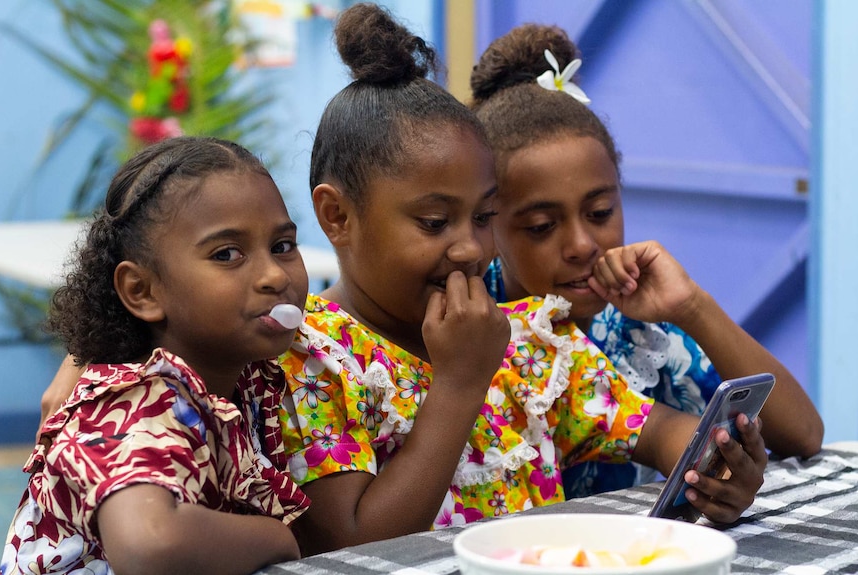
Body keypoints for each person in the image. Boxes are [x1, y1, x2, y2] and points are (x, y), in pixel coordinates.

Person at [274, 3, 766, 557]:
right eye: (435, 222)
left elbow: (661, 433)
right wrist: (460, 382)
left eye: (483, 218)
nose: (469, 248)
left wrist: (719, 469)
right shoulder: (307, 358)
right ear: (337, 216)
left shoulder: (530, 342)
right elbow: (353, 544)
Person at [469, 23, 824, 498]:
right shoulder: (468, 331)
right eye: (540, 226)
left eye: (599, 213)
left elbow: (803, 436)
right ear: (487, 224)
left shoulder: (635, 326)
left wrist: (691, 307)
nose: (581, 244)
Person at [1, 136, 310, 575]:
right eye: (227, 254)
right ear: (142, 291)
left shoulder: (242, 363)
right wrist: (277, 538)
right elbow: (150, 544)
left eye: (282, 246)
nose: (274, 276)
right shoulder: (137, 402)